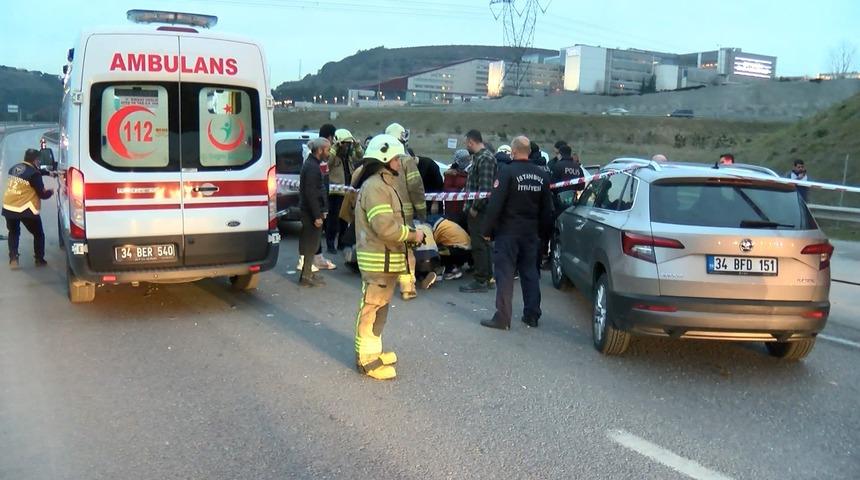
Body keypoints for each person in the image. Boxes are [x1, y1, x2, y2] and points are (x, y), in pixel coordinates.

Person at [352, 134, 425, 380]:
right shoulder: (376, 187)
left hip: (386, 259)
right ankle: (366, 361)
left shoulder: (384, 184)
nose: (399, 163)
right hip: (378, 261)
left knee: (380, 309)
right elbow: (384, 227)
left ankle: (374, 352)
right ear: (383, 159)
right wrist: (412, 235)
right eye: (395, 158)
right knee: (371, 309)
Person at [480, 136, 554, 330]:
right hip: (531, 234)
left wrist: (487, 230)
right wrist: (544, 236)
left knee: (505, 275)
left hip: (508, 233)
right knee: (530, 274)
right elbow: (547, 210)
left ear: (513, 152)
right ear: (528, 152)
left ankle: (503, 318)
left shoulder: (507, 172)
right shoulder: (542, 175)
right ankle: (532, 315)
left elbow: (495, 205)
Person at [385, 122, 427, 300]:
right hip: (403, 216)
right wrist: (422, 212)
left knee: (385, 249)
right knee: (406, 250)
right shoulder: (406, 161)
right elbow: (416, 188)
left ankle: (383, 287)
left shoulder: (378, 161)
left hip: (382, 215)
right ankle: (407, 287)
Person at [3, 148, 54, 269]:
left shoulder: (14, 168)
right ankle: (39, 259)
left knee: (13, 232)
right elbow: (42, 194)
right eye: (39, 160)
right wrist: (51, 192)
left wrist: (48, 173)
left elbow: (29, 173)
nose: (39, 162)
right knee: (38, 234)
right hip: (26, 208)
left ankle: (13, 259)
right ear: (36, 160)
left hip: (9, 207)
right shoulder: (34, 174)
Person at [460, 129, 498, 293]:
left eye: (466, 143)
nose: (466, 146)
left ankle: (481, 279)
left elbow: (485, 188)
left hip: (480, 211)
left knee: (479, 245)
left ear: (471, 142)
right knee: (483, 244)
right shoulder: (479, 158)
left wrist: (475, 208)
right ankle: (488, 277)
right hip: (479, 210)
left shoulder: (485, 159)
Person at [297, 138, 330, 286]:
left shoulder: (312, 164)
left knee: (312, 244)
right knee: (311, 244)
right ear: (320, 150)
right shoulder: (312, 167)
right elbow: (311, 193)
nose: (328, 153)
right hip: (311, 213)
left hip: (311, 211)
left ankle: (308, 272)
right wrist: (317, 215)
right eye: (327, 150)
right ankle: (306, 276)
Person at [326, 128, 363, 252]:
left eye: (348, 144)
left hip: (347, 192)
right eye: (345, 144)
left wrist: (357, 146)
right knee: (333, 220)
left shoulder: (348, 156)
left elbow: (360, 157)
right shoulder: (332, 156)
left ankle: (341, 243)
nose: (347, 147)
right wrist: (334, 148)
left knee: (344, 220)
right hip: (335, 193)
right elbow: (327, 164)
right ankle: (330, 244)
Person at [550, 145, 585, 212]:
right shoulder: (578, 167)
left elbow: (552, 185)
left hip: (559, 201)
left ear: (560, 154)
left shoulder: (557, 165)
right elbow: (581, 186)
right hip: (573, 201)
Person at [442, 149, 471, 219]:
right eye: (464, 159)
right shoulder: (451, 173)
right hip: (453, 209)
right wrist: (461, 191)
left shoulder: (470, 172)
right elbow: (446, 189)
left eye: (468, 159)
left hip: (467, 207)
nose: (467, 161)